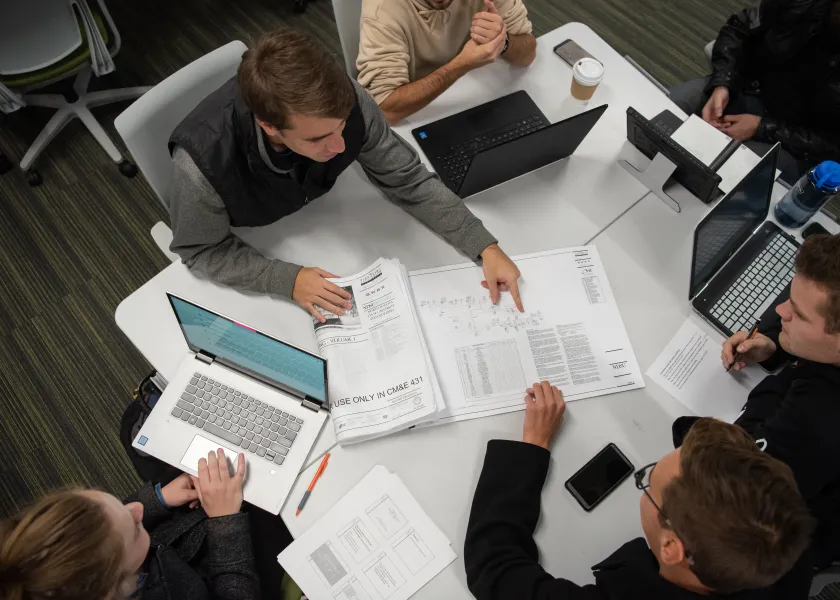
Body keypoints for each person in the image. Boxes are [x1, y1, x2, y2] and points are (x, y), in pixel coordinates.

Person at [169, 28, 523, 324]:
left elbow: (408, 179)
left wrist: (484, 246)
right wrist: (286, 280)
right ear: (270, 126)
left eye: (341, 127)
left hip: (332, 220)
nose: (340, 146)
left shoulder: (348, 99)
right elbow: (201, 250)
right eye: (317, 138)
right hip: (267, 242)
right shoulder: (200, 166)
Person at [465, 381, 816, 600]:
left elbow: (495, 569)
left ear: (671, 547)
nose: (645, 480)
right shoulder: (783, 543)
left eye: (647, 482)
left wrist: (532, 445)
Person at [720, 233, 840, 568]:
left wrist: (778, 380)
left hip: (780, 542)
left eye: (798, 315)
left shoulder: (820, 421)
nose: (780, 309)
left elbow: (734, 469)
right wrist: (776, 343)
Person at [0, 448, 265, 600]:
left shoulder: (107, 566)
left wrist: (159, 498)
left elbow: (116, 526)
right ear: (121, 586)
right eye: (135, 527)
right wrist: (225, 522)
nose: (137, 508)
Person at [668, 0, 840, 182]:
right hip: (745, 87)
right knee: (662, 113)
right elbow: (738, 30)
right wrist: (722, 84)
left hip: (793, 141)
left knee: (725, 179)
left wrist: (761, 127)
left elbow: (833, 145)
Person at [356, 0, 536, 124]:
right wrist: (462, 64)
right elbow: (386, 110)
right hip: (419, 112)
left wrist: (503, 41)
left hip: (477, 96)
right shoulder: (381, 10)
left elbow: (528, 52)